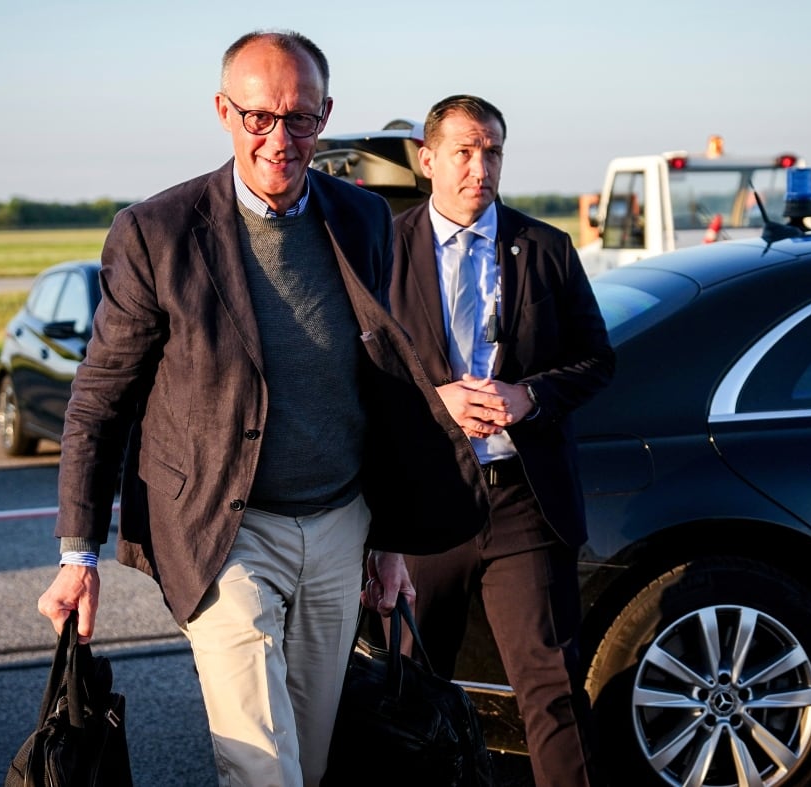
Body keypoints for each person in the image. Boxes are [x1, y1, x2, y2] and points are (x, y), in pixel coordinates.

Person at [36, 32, 487, 787]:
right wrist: (76, 554)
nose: (280, 139)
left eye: (300, 119)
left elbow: (376, 384)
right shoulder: (156, 232)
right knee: (262, 764)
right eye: (259, 118)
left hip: (340, 524)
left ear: (325, 116)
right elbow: (100, 399)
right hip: (226, 529)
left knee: (310, 756)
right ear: (224, 111)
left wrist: (388, 542)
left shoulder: (363, 219)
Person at [388, 95, 616, 787]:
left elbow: (596, 359)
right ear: (428, 160)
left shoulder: (546, 247)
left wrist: (531, 396)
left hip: (522, 500)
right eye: (463, 151)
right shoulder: (382, 249)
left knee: (551, 688)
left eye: (492, 153)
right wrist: (438, 401)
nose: (479, 168)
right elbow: (358, 371)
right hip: (426, 504)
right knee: (411, 694)